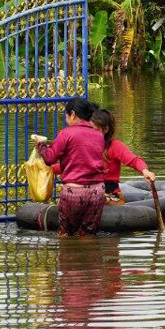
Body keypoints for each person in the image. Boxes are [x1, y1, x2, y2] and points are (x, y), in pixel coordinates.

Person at [33, 98, 106, 237]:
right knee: (88, 236)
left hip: (75, 191)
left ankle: (68, 257)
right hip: (97, 191)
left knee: (65, 235)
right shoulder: (99, 135)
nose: (66, 119)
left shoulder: (67, 133)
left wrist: (41, 146)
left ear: (72, 114)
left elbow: (49, 159)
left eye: (66, 116)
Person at [90, 109, 156, 202]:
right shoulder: (85, 146)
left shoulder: (115, 146)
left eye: (95, 130)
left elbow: (134, 160)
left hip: (110, 195)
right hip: (90, 193)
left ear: (105, 130)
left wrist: (145, 171)